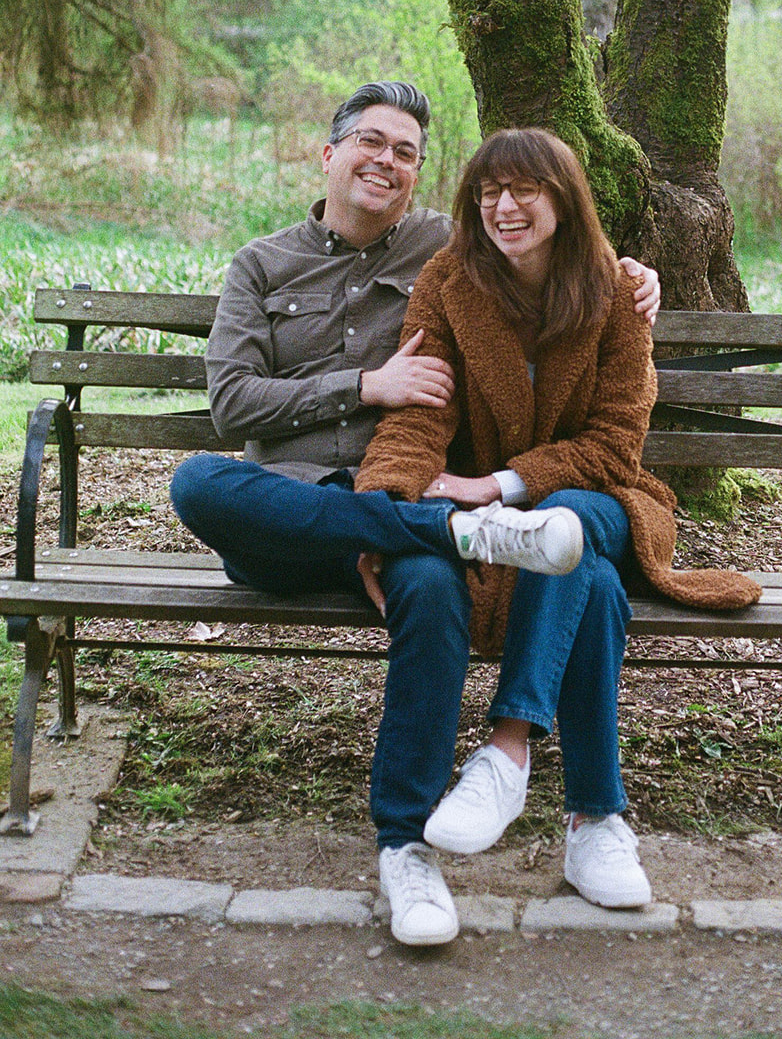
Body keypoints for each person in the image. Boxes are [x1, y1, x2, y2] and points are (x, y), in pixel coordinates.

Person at [169, 81, 663, 947]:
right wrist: (366, 385)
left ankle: (410, 845)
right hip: (301, 511)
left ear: (420, 177)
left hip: (402, 497)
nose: (385, 161)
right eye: (369, 141)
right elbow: (232, 406)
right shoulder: (261, 265)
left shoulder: (449, 250)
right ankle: (584, 806)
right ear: (328, 155)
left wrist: (632, 273)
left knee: (465, 581)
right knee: (197, 483)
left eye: (405, 153)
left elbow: (548, 241)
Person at [355, 129, 761, 929]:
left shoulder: (614, 292)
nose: (503, 208)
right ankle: (593, 821)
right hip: (482, 530)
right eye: (486, 192)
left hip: (605, 496)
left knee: (568, 523)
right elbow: (416, 420)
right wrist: (389, 504)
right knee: (590, 582)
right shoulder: (447, 282)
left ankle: (507, 751)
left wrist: (499, 484)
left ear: (564, 199)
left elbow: (615, 443)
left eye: (524, 190)